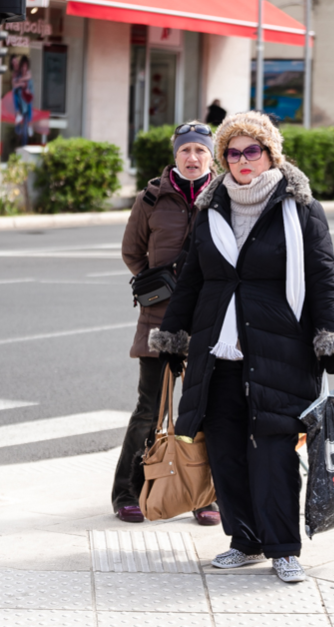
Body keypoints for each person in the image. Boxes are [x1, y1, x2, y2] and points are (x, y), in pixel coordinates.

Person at [150, 111, 334, 583]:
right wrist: (173, 336)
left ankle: (283, 548)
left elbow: (324, 278)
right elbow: (192, 279)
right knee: (225, 452)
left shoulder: (301, 209)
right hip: (217, 353)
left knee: (273, 452)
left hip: (279, 350)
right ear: (223, 159)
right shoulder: (211, 208)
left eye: (252, 150)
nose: (243, 160)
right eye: (233, 153)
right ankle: (244, 540)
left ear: (270, 154)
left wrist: (332, 339)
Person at [114, 121, 220, 526]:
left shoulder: (224, 196)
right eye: (185, 150)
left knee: (207, 410)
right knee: (149, 410)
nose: (193, 157)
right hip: (159, 321)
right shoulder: (151, 197)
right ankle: (128, 492)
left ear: (211, 156)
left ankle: (205, 497)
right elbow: (132, 251)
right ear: (175, 155)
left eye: (200, 150)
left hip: (209, 319)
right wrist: (160, 285)